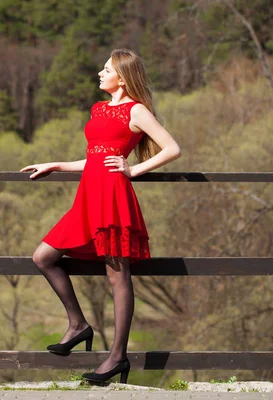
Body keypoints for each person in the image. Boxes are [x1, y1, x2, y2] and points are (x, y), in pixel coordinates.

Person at [20, 48, 181, 384]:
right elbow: (95, 158)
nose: (100, 72)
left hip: (113, 197)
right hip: (88, 197)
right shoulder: (99, 109)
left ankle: (117, 357)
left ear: (122, 77)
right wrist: (56, 164)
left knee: (117, 278)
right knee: (43, 257)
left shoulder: (136, 111)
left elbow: (172, 148)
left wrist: (134, 169)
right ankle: (78, 324)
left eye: (106, 69)